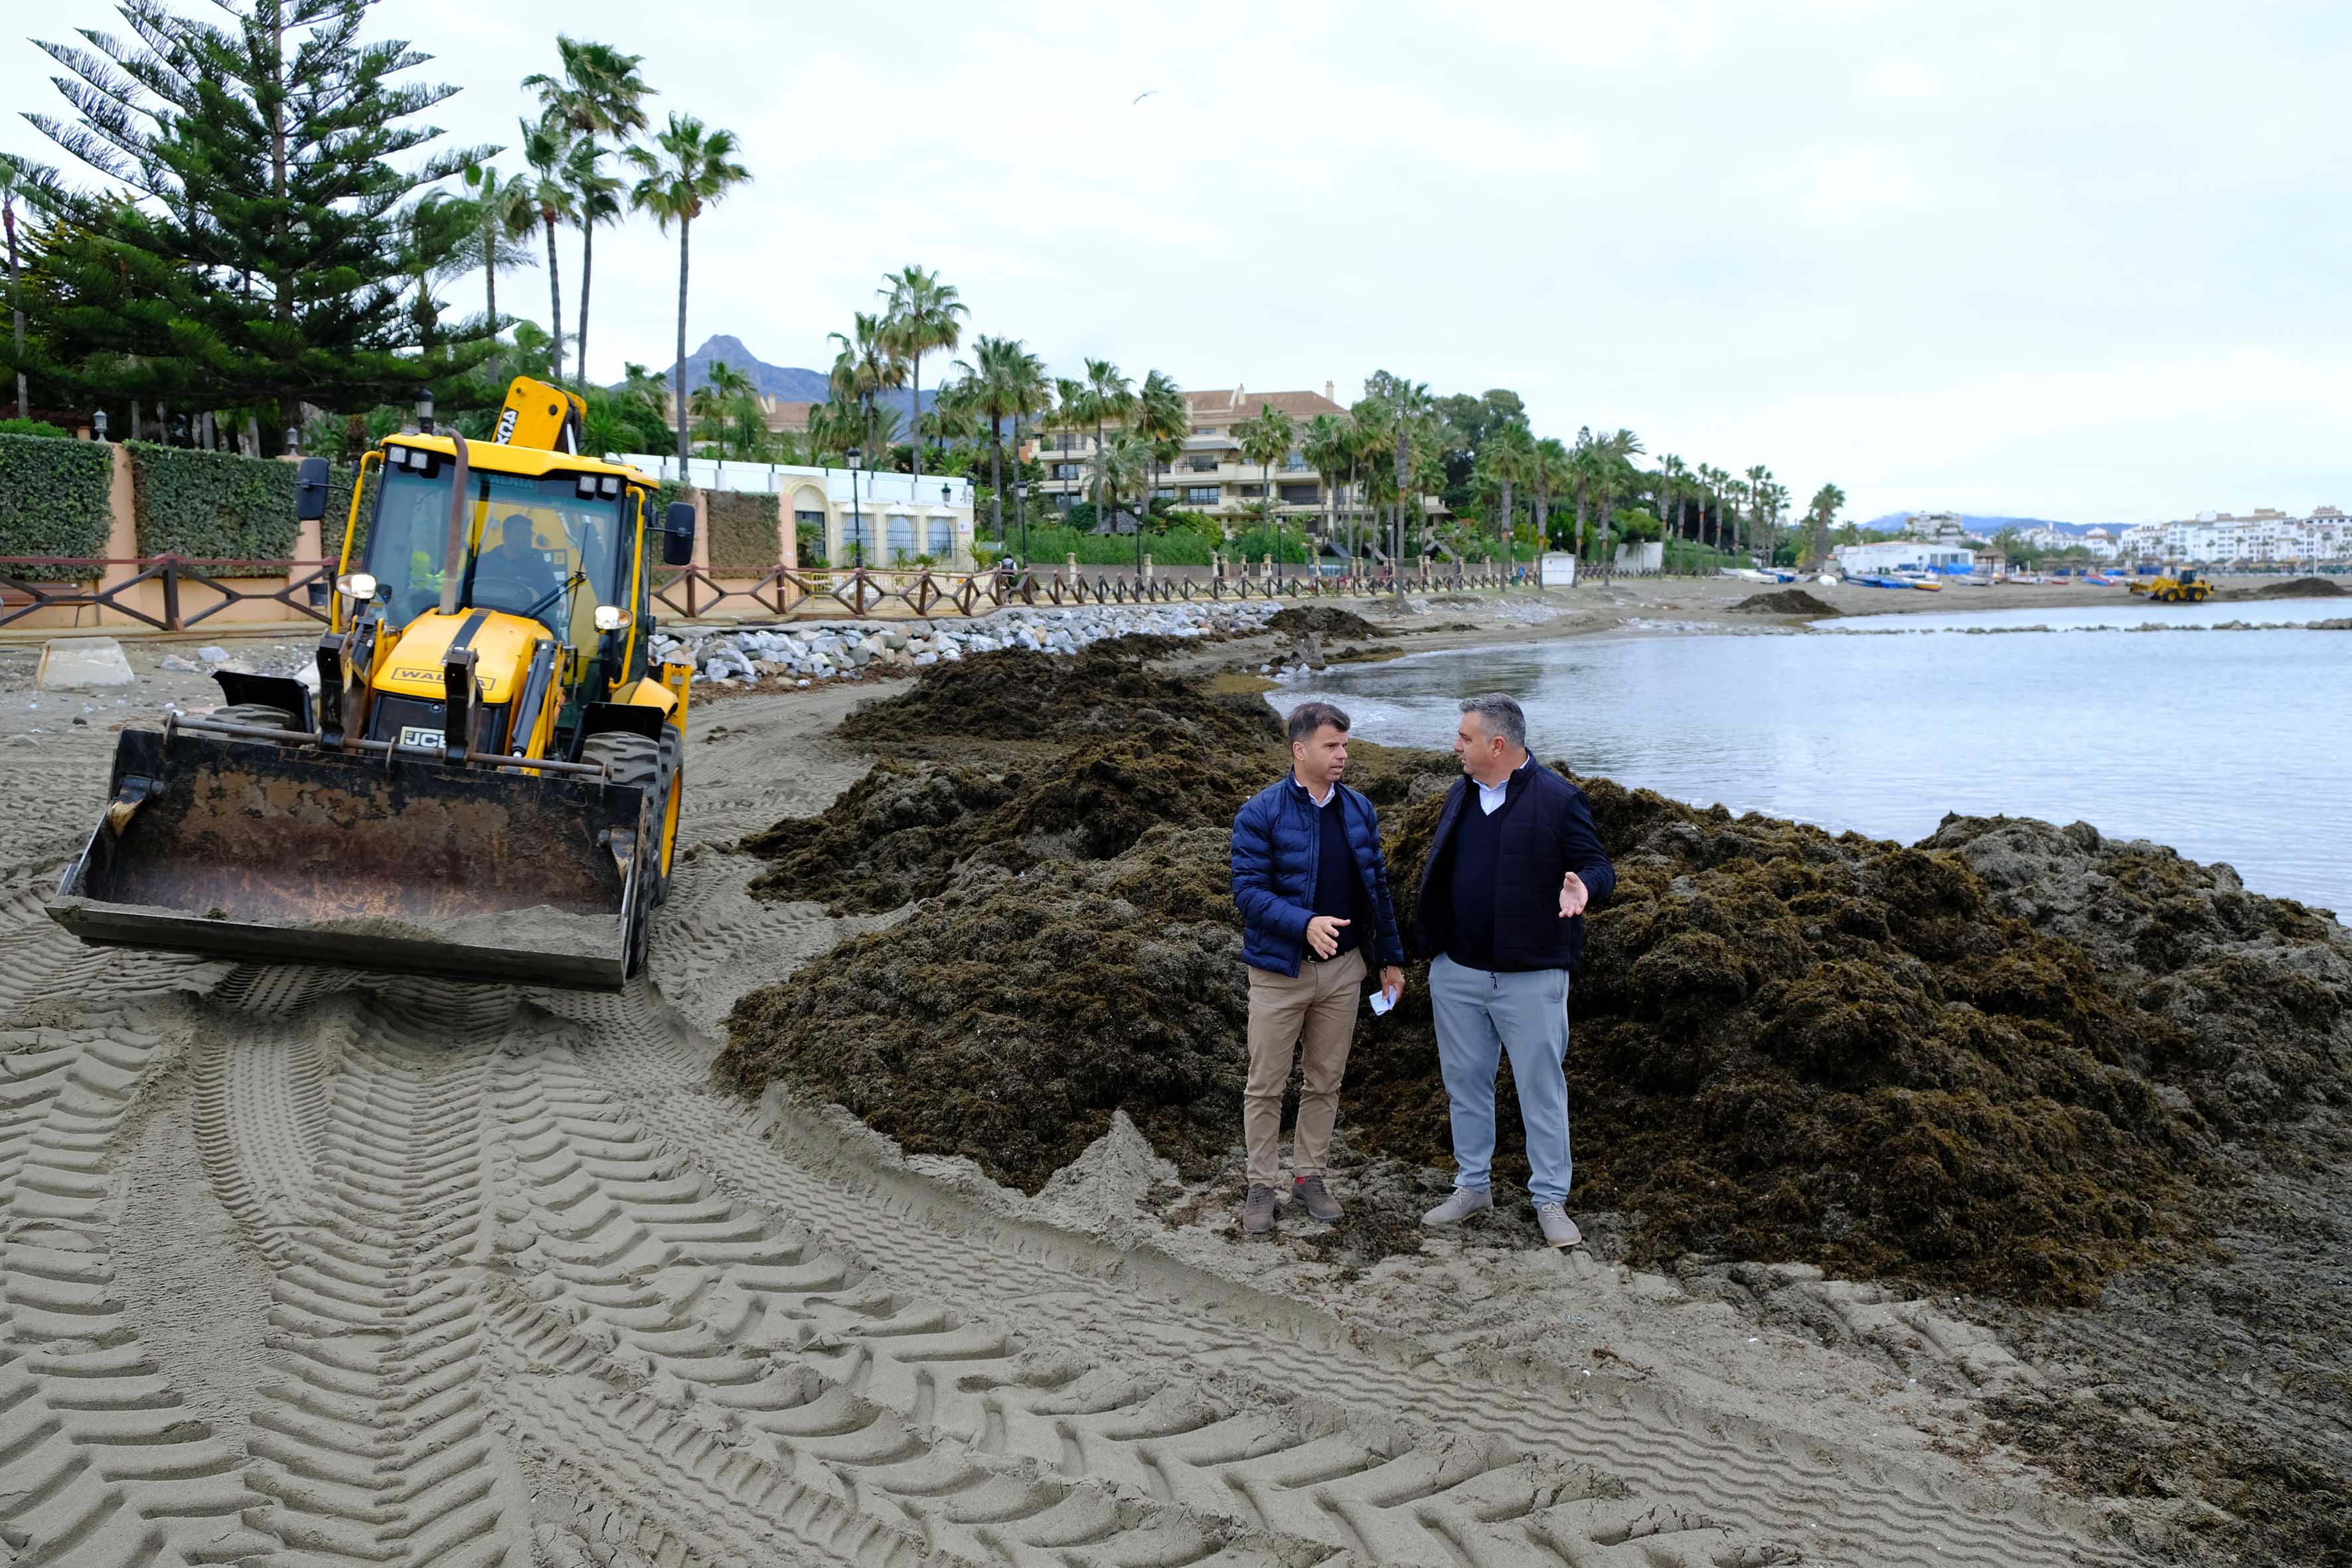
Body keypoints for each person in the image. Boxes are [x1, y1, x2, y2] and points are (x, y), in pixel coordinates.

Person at [1411, 693, 1614, 1248]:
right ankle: (1472, 1186)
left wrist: (1584, 887)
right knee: (1464, 1086)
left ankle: (1549, 1198)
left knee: (1540, 1090)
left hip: (1532, 977)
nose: (1456, 746)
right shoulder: (1459, 794)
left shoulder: (1558, 798)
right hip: (1458, 973)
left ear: (1497, 744)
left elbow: (1598, 866)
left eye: (1465, 737)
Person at [1228, 701, 1407, 1239]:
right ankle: (1261, 1184)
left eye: (1345, 746)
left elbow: (1376, 891)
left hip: (1345, 970)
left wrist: (1390, 960)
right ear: (1299, 749)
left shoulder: (1359, 810)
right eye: (1332, 746)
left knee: (1324, 1080)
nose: (1343, 756)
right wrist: (1303, 923)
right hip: (1279, 972)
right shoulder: (1259, 813)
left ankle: (1309, 1177)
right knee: (1265, 1085)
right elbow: (1248, 893)